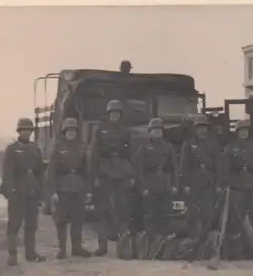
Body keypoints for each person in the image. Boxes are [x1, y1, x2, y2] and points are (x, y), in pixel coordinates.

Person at [90, 100, 134, 256]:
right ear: (108, 114)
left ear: (120, 115)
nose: (114, 115)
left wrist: (131, 174)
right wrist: (95, 176)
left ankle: (123, 247)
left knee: (122, 208)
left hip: (122, 170)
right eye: (112, 113)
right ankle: (102, 246)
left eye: (117, 113)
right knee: (103, 209)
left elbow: (131, 154)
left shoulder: (126, 131)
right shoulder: (100, 130)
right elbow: (94, 154)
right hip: (105, 170)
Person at [1, 118, 46, 265]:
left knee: (31, 224)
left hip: (32, 191)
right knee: (14, 224)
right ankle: (12, 254)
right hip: (17, 191)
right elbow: (7, 172)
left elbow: (40, 171)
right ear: (19, 131)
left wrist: (41, 192)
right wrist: (10, 190)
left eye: (29, 130)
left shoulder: (35, 148)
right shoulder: (12, 149)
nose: (26, 133)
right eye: (23, 130)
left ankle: (30, 253)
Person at [46, 118, 93, 259]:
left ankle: (77, 247)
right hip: (63, 187)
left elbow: (87, 170)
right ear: (64, 132)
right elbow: (51, 171)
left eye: (73, 130)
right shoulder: (58, 148)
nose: (71, 133)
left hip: (78, 187)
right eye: (68, 131)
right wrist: (53, 191)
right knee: (61, 219)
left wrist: (88, 190)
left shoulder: (82, 147)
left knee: (77, 219)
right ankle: (62, 249)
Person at [135, 118, 179, 254]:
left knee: (165, 216)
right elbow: (139, 169)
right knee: (149, 216)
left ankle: (164, 247)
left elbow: (174, 168)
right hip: (150, 184)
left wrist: (174, 185)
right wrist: (143, 188)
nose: (157, 133)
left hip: (165, 185)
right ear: (149, 132)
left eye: (159, 130)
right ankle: (150, 247)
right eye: (154, 130)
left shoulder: (168, 147)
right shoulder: (143, 147)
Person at [222, 120, 253, 243]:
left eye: (245, 131)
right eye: (241, 131)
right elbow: (226, 169)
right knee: (237, 215)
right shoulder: (230, 148)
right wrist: (228, 184)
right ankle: (236, 240)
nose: (243, 133)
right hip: (237, 185)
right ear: (237, 133)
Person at [179, 114, 222, 240]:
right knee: (192, 213)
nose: (202, 131)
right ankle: (192, 239)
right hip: (193, 182)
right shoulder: (188, 144)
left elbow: (219, 166)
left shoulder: (214, 145)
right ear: (195, 129)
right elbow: (183, 165)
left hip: (208, 182)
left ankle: (205, 240)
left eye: (204, 128)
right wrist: (185, 183)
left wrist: (218, 184)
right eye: (199, 128)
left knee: (207, 213)